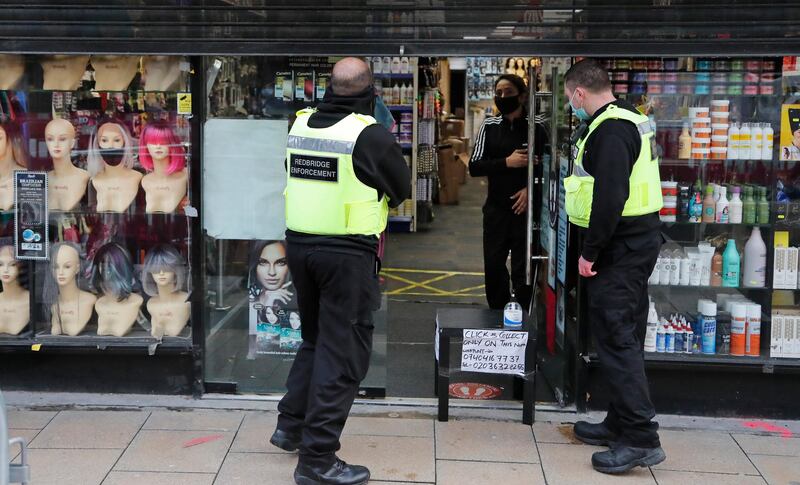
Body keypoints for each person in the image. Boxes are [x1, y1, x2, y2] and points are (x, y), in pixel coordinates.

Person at [270, 57, 411, 485]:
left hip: (300, 247)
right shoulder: (369, 135)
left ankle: (290, 426)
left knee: (314, 339)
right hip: (346, 255)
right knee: (343, 352)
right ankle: (317, 459)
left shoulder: (299, 123)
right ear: (371, 91)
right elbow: (401, 190)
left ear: (328, 87)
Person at [562, 59, 666, 474]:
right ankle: (619, 421)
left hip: (619, 249)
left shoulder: (611, 131)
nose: (571, 105)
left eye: (571, 99)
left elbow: (610, 198)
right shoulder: (628, 118)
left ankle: (641, 438)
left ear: (580, 94)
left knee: (617, 338)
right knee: (622, 334)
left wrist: (590, 253)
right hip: (632, 244)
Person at [469, 74, 545, 311]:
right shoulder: (490, 127)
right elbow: (474, 165)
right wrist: (506, 162)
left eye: (508, 92)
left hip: (527, 212)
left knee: (524, 269)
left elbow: (552, 168)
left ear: (522, 96)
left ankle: (522, 314)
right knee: (493, 265)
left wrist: (531, 189)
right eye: (498, 93)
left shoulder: (538, 127)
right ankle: (497, 315)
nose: (502, 97)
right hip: (497, 210)